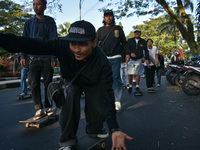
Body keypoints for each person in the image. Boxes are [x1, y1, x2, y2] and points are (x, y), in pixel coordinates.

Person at [0, 20, 133, 150]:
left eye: (82, 44)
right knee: (73, 92)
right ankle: (67, 139)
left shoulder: (103, 63)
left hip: (93, 83)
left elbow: (107, 96)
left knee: (97, 102)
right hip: (72, 81)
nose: (76, 50)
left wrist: (114, 129)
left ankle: (94, 128)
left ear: (93, 43)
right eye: (73, 43)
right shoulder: (62, 44)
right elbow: (31, 44)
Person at [20, 0, 57, 120]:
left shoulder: (50, 22)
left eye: (38, 4)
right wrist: (23, 56)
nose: (36, 6)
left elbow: (54, 40)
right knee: (34, 84)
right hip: (32, 58)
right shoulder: (29, 23)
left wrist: (53, 57)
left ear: (45, 6)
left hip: (47, 58)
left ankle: (48, 106)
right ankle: (38, 108)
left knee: (48, 83)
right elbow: (24, 40)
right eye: (34, 4)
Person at [96, 9, 130, 111]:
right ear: (104, 18)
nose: (108, 17)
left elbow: (124, 42)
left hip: (116, 57)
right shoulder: (100, 30)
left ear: (113, 17)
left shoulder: (118, 29)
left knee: (115, 77)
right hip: (103, 58)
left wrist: (127, 53)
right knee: (103, 79)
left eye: (110, 15)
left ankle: (117, 100)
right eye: (106, 16)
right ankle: (105, 99)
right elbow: (95, 44)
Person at [127, 29, 149, 95]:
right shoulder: (130, 40)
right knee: (130, 73)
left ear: (140, 33)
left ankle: (137, 86)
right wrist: (130, 53)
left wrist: (147, 59)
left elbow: (146, 50)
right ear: (134, 33)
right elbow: (126, 48)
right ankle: (130, 86)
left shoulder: (143, 41)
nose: (137, 33)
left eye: (138, 32)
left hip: (139, 59)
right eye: (135, 32)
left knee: (138, 73)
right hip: (131, 59)